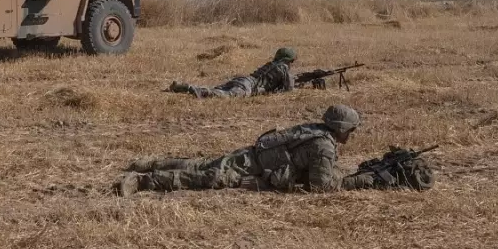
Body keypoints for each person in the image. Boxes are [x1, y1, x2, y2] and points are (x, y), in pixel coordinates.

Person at [114, 104, 435, 196]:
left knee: (204, 163)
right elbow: (321, 186)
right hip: (256, 168)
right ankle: (142, 181)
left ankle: (151, 162)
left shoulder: (317, 129)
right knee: (206, 177)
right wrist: (360, 181)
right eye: (351, 130)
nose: (353, 134)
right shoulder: (324, 146)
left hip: (254, 153)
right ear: (340, 130)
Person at [167, 47, 296, 99]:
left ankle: (181, 87)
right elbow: (289, 89)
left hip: (243, 79)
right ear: (287, 60)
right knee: (223, 96)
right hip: (249, 86)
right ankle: (191, 88)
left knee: (215, 89)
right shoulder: (283, 68)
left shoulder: (272, 64)